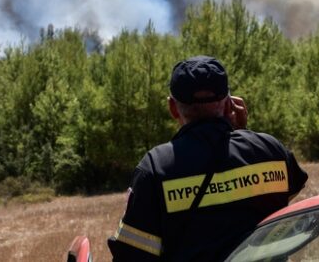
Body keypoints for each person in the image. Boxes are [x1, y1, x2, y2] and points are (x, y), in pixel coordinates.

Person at [107, 55, 308, 261]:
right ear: (229, 103)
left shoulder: (155, 167)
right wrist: (245, 135)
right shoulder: (270, 149)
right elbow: (285, 198)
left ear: (173, 108)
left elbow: (131, 255)